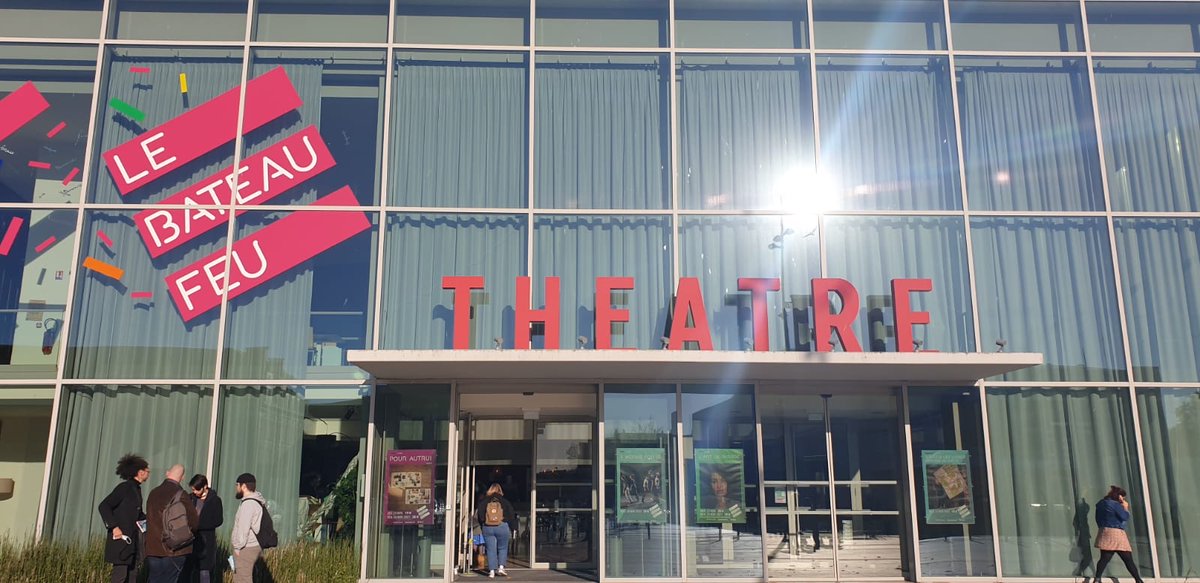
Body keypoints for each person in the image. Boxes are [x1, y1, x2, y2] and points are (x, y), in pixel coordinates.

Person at [98, 454, 150, 583]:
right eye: (147, 471)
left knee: (132, 575)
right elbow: (104, 506)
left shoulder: (136, 489)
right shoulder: (125, 488)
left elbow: (137, 514)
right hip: (122, 541)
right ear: (140, 472)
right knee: (120, 576)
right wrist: (114, 527)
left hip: (133, 541)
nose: (149, 474)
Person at [145, 464, 200, 583]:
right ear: (183, 477)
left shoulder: (153, 493)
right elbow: (194, 522)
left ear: (167, 473)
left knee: (154, 579)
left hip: (153, 548)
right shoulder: (181, 494)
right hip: (174, 549)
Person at [1093, 485, 1146, 583]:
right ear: (1119, 496)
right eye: (1123, 497)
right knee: (1128, 559)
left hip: (1104, 532)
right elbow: (1124, 517)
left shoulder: (1100, 504)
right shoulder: (1115, 505)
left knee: (1104, 558)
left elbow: (1097, 519)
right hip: (1116, 533)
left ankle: (1097, 579)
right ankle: (1138, 580)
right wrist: (1125, 507)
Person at [182, 474, 223, 583]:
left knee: (204, 572)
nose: (195, 492)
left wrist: (198, 525)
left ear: (205, 487)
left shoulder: (215, 500)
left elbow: (218, 520)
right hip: (190, 541)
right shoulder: (190, 498)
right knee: (189, 570)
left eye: (197, 489)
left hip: (206, 541)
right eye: (193, 489)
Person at [475, 483, 518, 578]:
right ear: (500, 490)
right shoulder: (505, 501)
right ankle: (501, 567)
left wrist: (483, 525)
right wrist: (514, 528)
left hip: (488, 527)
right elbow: (511, 515)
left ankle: (491, 571)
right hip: (502, 526)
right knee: (502, 547)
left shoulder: (484, 501)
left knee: (490, 549)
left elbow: (480, 515)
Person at [231, 473, 267, 583]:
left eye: (237, 485)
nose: (236, 488)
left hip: (246, 548)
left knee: (242, 579)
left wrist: (237, 547)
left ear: (244, 486)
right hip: (254, 546)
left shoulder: (248, 504)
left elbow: (243, 529)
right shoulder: (257, 502)